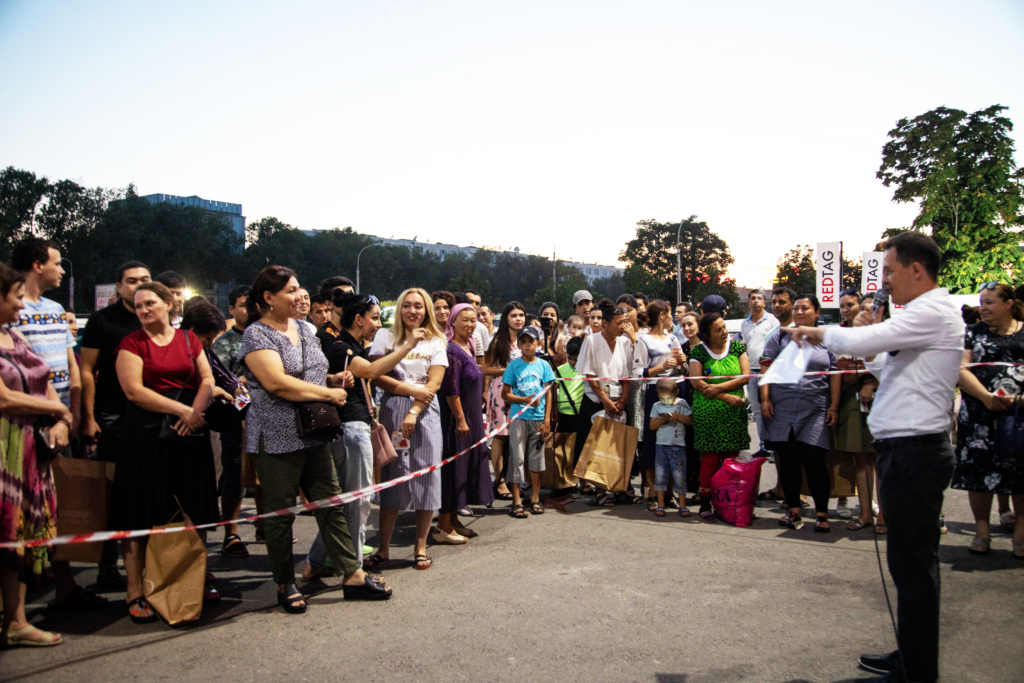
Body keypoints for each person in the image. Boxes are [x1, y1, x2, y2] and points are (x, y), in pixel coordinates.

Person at [785, 232, 963, 683]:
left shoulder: (932, 310)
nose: (883, 281)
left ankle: (917, 672)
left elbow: (875, 339)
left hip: (917, 453)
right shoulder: (923, 314)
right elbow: (885, 363)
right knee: (907, 566)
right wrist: (863, 340)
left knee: (914, 568)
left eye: (889, 270)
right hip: (906, 452)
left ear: (916, 270)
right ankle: (911, 656)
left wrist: (817, 331)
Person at [241, 266, 390, 612]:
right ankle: (285, 582)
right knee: (281, 513)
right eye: (291, 291)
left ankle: (352, 574)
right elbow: (276, 382)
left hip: (314, 432)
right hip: (276, 435)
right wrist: (327, 394)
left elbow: (314, 373)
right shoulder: (257, 335)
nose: (300, 297)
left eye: (299, 289)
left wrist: (334, 380)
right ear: (268, 298)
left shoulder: (306, 329)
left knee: (332, 503)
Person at [112, 281, 220, 623]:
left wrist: (195, 413)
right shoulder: (131, 343)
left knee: (195, 507)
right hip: (146, 436)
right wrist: (181, 411)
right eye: (138, 305)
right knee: (140, 511)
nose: (143, 310)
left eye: (150, 303)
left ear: (169, 304)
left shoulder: (188, 339)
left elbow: (207, 380)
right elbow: (133, 391)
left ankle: (193, 579)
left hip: (190, 432)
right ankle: (135, 590)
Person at [10, 238, 107, 610]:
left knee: (60, 503)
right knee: (25, 506)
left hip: (63, 417)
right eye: (56, 262)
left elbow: (72, 364)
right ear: (37, 265)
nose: (62, 270)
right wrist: (57, 415)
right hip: (29, 419)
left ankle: (64, 584)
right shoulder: (10, 307)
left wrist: (77, 415)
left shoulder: (55, 310)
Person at [303, 292, 428, 578]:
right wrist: (409, 345)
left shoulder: (352, 347)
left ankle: (316, 563)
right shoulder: (342, 349)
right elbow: (371, 371)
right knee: (359, 502)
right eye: (374, 318)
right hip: (350, 429)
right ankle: (355, 572)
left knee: (348, 501)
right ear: (358, 319)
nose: (378, 324)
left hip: (355, 428)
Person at [0, 263, 71, 648]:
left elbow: (44, 379)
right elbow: (3, 398)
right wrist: (58, 410)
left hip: (27, 447)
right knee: (6, 531)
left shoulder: (14, 335)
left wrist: (58, 417)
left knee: (22, 532)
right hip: (4, 450)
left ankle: (16, 620)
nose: (20, 305)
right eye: (15, 297)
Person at [364, 288, 448, 572]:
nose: (413, 311)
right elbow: (377, 375)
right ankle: (383, 549)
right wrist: (410, 392)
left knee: (427, 475)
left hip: (425, 410)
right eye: (408, 306)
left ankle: (420, 548)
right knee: (393, 475)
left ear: (426, 311)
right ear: (399, 309)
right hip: (392, 409)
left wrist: (414, 411)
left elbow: (434, 383)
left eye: (419, 306)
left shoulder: (436, 340)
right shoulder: (384, 336)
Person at [80, 259, 151, 588]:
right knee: (111, 495)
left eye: (145, 279)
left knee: (147, 494)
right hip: (113, 416)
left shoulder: (156, 318)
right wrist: (89, 417)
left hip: (152, 418)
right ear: (119, 287)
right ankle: (107, 564)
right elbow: (87, 370)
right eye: (132, 281)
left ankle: (149, 566)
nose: (139, 285)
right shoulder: (102, 320)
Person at [953, 282, 1024, 558]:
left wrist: (1018, 400)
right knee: (978, 473)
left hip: (1019, 415)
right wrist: (985, 397)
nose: (983, 308)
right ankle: (981, 531)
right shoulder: (972, 332)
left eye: (990, 302)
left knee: (1020, 474)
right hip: (980, 416)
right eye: (981, 303)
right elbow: (961, 368)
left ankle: (1021, 533)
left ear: (1009, 304)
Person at [760, 294, 840, 532]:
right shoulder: (779, 336)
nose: (799, 312)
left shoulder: (827, 339)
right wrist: (765, 399)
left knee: (814, 461)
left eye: (805, 308)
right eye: (796, 308)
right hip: (782, 408)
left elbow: (835, 375)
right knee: (788, 462)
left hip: (815, 408)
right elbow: (765, 369)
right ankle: (793, 510)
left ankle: (822, 513)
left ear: (817, 312)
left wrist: (834, 406)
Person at [180, 301, 251, 558]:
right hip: (177, 429)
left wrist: (236, 389)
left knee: (203, 494)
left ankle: (196, 566)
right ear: (191, 330)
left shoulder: (205, 352)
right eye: (207, 338)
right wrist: (215, 391)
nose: (210, 344)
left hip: (202, 427)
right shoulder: (177, 350)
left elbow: (222, 375)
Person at [435, 303, 496, 538]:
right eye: (465, 320)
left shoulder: (468, 346)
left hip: (472, 418)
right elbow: (451, 390)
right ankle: (443, 526)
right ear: (452, 321)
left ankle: (454, 519)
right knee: (453, 471)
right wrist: (460, 420)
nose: (470, 324)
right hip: (457, 422)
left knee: (466, 469)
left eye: (473, 320)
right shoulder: (451, 350)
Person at [688, 313, 750, 521]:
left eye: (724, 327)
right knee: (710, 458)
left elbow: (745, 376)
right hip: (708, 412)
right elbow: (697, 383)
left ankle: (730, 501)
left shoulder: (737, 347)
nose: (724, 332)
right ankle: (706, 502)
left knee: (732, 458)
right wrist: (726, 396)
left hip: (733, 412)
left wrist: (718, 388)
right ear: (706, 334)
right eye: (718, 330)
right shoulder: (698, 352)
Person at [834, 289, 884, 533]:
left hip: (886, 401)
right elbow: (844, 375)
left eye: (852, 305)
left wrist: (872, 382)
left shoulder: (889, 334)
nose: (848, 310)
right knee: (862, 459)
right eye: (843, 306)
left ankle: (884, 515)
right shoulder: (843, 336)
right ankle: (865, 513)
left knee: (882, 459)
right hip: (853, 402)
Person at [575, 300, 632, 507]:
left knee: (617, 447)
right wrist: (605, 400)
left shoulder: (625, 342)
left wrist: (623, 398)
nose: (623, 326)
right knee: (598, 447)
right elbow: (590, 374)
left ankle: (618, 487)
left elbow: (627, 375)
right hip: (596, 399)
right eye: (619, 322)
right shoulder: (592, 340)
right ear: (606, 323)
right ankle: (599, 490)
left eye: (624, 322)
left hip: (618, 400)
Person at [502, 326, 555, 517]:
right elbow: (505, 393)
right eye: (523, 342)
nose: (527, 345)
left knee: (536, 458)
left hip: (538, 418)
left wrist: (547, 420)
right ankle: (516, 500)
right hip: (519, 417)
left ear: (538, 343)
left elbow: (549, 393)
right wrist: (523, 400)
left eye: (531, 342)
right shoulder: (513, 366)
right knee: (517, 457)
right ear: (518, 345)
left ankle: (535, 497)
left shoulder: (544, 365)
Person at [634, 300, 683, 507]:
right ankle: (653, 491)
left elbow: (682, 368)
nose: (672, 318)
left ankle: (669, 491)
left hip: (675, 390)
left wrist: (682, 362)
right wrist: (661, 367)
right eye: (670, 313)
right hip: (654, 392)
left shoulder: (673, 338)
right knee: (652, 442)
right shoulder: (643, 340)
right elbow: (639, 372)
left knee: (673, 442)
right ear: (662, 315)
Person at [484, 301, 527, 502]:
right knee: (500, 437)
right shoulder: (497, 342)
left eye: (521, 315)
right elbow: (486, 369)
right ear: (506, 319)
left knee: (517, 437)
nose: (518, 319)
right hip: (501, 392)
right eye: (514, 315)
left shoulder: (526, 340)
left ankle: (513, 480)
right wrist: (508, 370)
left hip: (521, 392)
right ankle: (499, 481)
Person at [757, 286, 796, 502]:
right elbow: (765, 368)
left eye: (782, 302)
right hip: (778, 400)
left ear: (793, 305)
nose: (777, 306)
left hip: (802, 401)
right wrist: (765, 399)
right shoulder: (774, 335)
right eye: (774, 302)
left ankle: (799, 493)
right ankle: (782, 488)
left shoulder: (804, 331)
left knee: (800, 449)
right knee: (780, 448)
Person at [740, 289, 778, 458]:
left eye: (759, 298)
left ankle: (775, 447)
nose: (756, 301)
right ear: (749, 302)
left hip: (769, 372)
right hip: (752, 372)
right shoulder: (745, 324)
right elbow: (746, 346)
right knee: (757, 411)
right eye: (753, 298)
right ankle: (764, 446)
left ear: (764, 302)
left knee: (771, 408)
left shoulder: (772, 321)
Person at [648, 378, 693, 517]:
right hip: (661, 446)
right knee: (660, 475)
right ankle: (661, 504)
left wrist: (677, 416)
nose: (665, 401)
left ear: (677, 392)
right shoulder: (656, 406)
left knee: (679, 476)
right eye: (662, 398)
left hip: (678, 446)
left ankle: (683, 504)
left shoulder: (682, 403)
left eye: (669, 398)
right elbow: (652, 426)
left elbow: (689, 421)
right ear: (657, 393)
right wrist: (660, 420)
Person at [677, 311, 703, 499]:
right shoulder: (681, 348)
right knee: (688, 443)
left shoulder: (706, 347)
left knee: (703, 446)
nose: (687, 328)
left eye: (690, 324)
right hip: (686, 399)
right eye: (684, 325)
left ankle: (704, 486)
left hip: (704, 398)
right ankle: (691, 485)